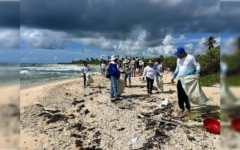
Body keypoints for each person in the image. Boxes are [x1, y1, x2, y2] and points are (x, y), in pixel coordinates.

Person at [171, 47, 200, 116]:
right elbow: (177, 68)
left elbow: (198, 65)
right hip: (180, 79)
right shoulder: (178, 59)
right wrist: (173, 76)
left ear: (183, 53)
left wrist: (197, 71)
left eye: (178, 54)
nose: (177, 55)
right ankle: (181, 108)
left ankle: (188, 108)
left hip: (188, 79)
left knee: (185, 94)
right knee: (179, 94)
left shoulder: (191, 57)